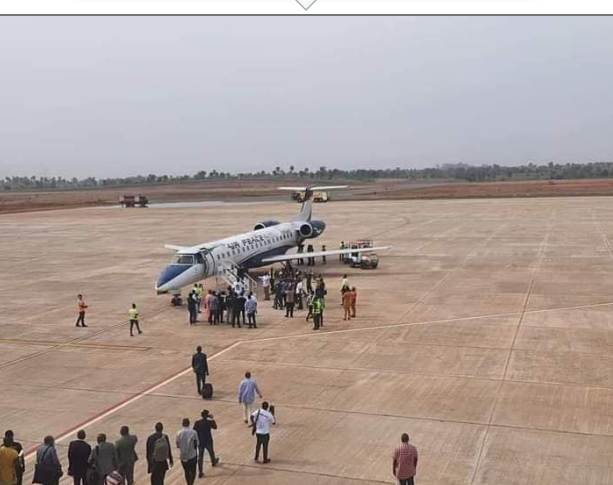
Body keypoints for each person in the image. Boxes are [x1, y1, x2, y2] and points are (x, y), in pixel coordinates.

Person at [193, 411, 219, 478]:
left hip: (201, 442)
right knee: (211, 452)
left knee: (200, 457)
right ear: (206, 415)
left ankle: (200, 472)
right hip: (208, 440)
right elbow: (215, 427)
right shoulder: (209, 422)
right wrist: (212, 419)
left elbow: (194, 431)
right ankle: (213, 461)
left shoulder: (197, 422)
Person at [175, 419, 198, 485]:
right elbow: (197, 443)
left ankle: (188, 483)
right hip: (192, 455)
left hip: (183, 456)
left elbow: (178, 445)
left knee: (186, 471)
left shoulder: (178, 433)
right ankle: (191, 483)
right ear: (189, 423)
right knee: (193, 471)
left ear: (182, 424)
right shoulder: (194, 432)